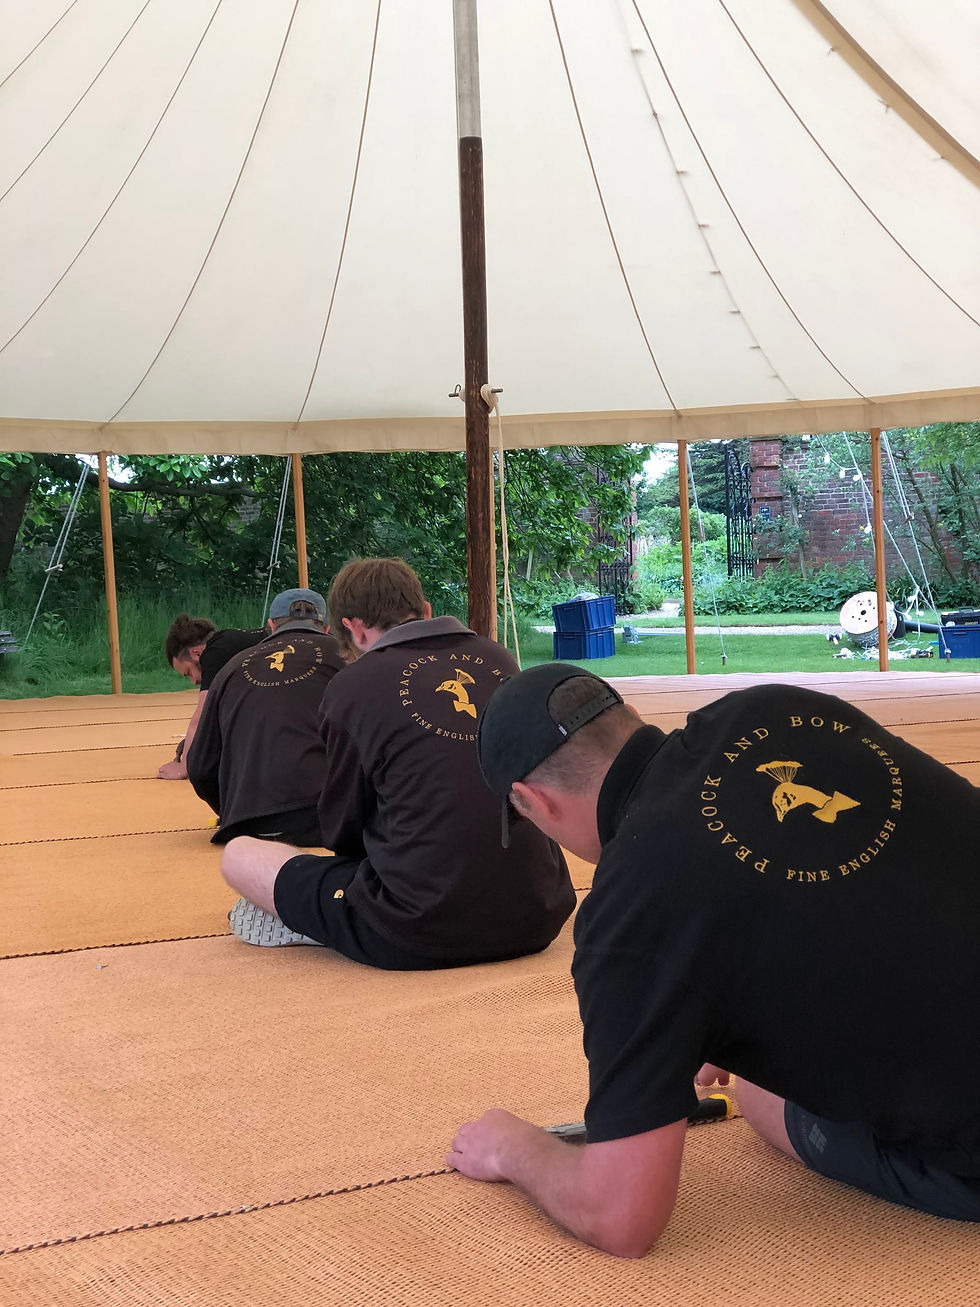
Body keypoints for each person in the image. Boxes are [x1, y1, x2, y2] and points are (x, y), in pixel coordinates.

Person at [447, 663, 980, 1256]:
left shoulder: (628, 914)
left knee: (757, 1093)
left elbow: (621, 1216)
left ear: (530, 800)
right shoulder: (775, 708)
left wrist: (512, 1149)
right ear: (628, 719)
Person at [221, 558, 575, 966]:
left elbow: (342, 829)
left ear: (352, 627)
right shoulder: (498, 659)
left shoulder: (352, 686)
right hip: (539, 912)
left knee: (240, 854)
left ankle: (315, 918)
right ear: (425, 610)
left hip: (412, 928)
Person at [186, 589, 344, 845]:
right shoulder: (348, 658)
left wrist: (232, 810)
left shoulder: (232, 667)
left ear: (270, 626)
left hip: (248, 823)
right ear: (326, 627)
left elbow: (201, 766)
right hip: (328, 819)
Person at [158, 615, 267, 779]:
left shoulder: (214, 654)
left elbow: (202, 715)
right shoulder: (228, 643)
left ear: (196, 653)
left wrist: (184, 767)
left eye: (189, 672)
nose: (194, 681)